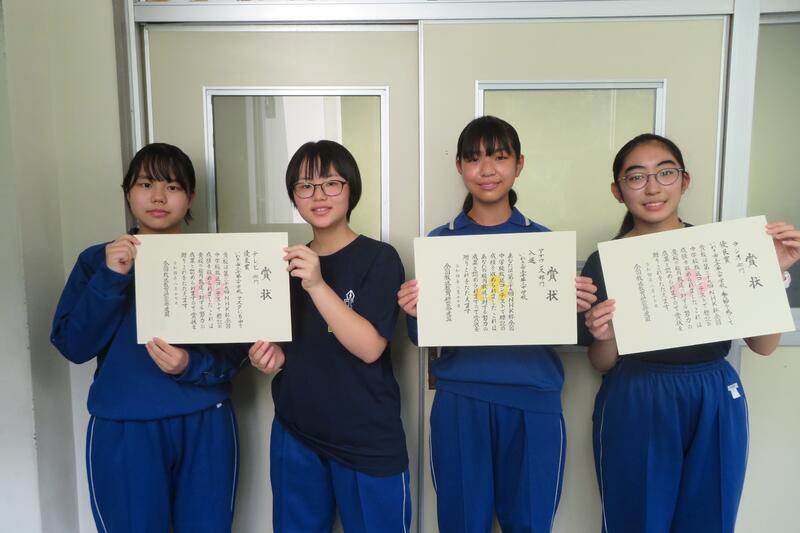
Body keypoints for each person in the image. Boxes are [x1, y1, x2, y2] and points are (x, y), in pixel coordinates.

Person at [51, 143, 284, 533]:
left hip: (205, 419)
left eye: (172, 187)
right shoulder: (98, 260)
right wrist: (112, 277)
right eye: (146, 184)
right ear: (128, 192)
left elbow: (239, 351)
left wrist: (190, 364)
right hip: (125, 425)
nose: (158, 197)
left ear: (190, 197)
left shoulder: (216, 258)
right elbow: (74, 346)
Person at [579, 133, 800, 533]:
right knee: (637, 518)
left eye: (665, 173)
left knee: (709, 517)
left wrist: (773, 275)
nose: (652, 188)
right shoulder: (605, 261)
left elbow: (764, 345)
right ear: (617, 190)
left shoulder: (720, 250)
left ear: (684, 180)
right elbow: (601, 362)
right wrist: (605, 335)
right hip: (636, 392)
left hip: (713, 391)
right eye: (636, 177)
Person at [397, 115, 597, 532]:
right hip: (461, 399)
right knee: (462, 521)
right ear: (459, 166)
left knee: (529, 522)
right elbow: (421, 337)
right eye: (474, 159)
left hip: (533, 399)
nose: (487, 170)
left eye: (500, 157)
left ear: (519, 164)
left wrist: (577, 308)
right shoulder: (440, 243)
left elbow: (570, 333)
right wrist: (413, 311)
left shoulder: (544, 244)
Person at [253, 140, 410, 532]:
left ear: (351, 189)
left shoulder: (380, 258)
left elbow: (370, 348)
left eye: (331, 183)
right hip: (297, 430)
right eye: (305, 186)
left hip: (366, 437)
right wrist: (269, 356)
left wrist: (317, 284)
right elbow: (288, 348)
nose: (319, 195)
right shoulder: (284, 265)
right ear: (294, 196)